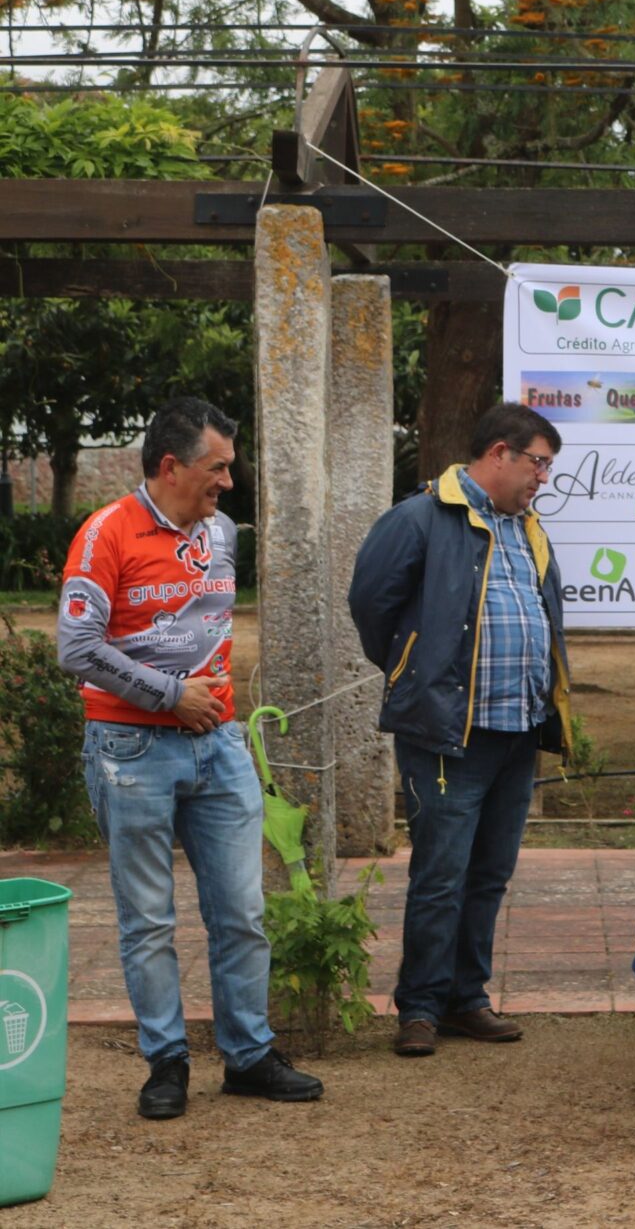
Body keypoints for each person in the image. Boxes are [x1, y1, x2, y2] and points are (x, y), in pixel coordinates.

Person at [57, 398, 324, 1119]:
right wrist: (170, 694)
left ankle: (248, 1055)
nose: (228, 483)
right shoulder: (104, 534)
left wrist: (198, 703)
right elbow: (75, 648)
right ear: (170, 465)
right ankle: (167, 1063)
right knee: (148, 919)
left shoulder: (221, 534)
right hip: (130, 748)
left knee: (242, 910)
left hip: (221, 743)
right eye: (218, 468)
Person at [348, 403, 573, 1058]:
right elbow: (371, 603)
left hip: (518, 731)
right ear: (498, 452)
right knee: (441, 873)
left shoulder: (527, 528)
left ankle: (465, 997)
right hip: (449, 732)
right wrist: (412, 665)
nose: (542, 478)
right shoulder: (421, 516)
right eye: (538, 462)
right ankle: (419, 1005)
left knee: (489, 873)